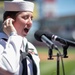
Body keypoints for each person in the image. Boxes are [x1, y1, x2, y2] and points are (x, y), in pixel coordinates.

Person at [0, 0, 40, 75]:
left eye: (31, 18)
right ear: (9, 21)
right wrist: (13, 35)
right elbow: (8, 69)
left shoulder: (31, 47)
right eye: (25, 17)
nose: (30, 23)